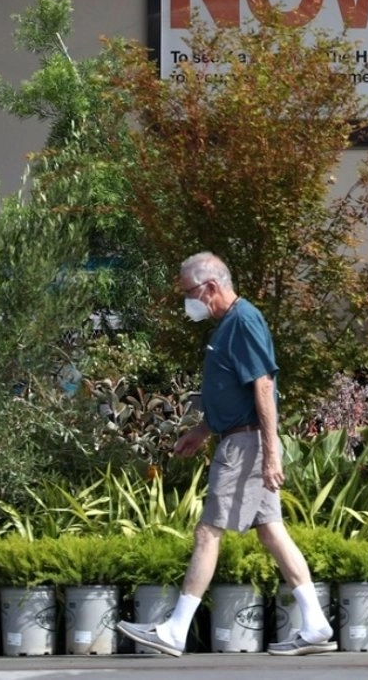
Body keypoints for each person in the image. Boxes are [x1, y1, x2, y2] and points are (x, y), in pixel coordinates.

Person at [117, 252, 336, 657]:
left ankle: (175, 630)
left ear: (212, 287)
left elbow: (264, 386)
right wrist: (201, 431)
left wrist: (271, 454)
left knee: (208, 531)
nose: (188, 301)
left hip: (244, 446)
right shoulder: (229, 325)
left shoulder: (243, 321)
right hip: (239, 438)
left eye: (189, 292)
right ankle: (316, 624)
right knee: (271, 531)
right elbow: (235, 393)